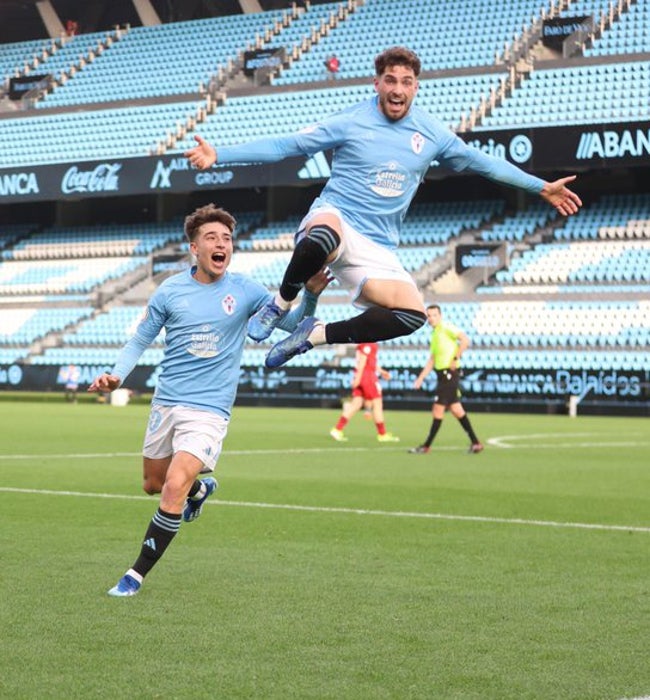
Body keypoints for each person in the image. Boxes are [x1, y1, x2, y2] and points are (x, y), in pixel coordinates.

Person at [185, 45, 582, 370]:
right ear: (377, 84)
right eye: (390, 80)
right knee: (320, 236)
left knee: (411, 315)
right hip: (337, 215)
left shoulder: (431, 133)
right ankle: (281, 303)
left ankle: (313, 334)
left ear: (416, 87)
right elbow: (286, 146)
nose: (398, 88)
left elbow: (483, 162)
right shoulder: (351, 121)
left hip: (378, 245)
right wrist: (219, 154)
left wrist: (540, 186)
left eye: (406, 82)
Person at [88, 204, 330, 597]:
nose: (222, 244)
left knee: (174, 486)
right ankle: (201, 491)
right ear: (194, 248)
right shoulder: (169, 290)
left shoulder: (247, 290)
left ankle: (135, 575)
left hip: (209, 410)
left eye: (227, 239)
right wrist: (118, 375)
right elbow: (139, 339)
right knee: (153, 484)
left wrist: (312, 296)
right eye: (212, 238)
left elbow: (296, 325)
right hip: (167, 402)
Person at [408, 304, 483, 455]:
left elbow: (465, 340)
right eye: (429, 316)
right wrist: (421, 378)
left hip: (449, 373)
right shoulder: (435, 334)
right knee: (456, 409)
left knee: (438, 409)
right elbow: (432, 359)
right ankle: (476, 443)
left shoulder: (446, 328)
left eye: (434, 315)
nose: (431, 318)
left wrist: (455, 358)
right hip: (441, 375)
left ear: (440, 316)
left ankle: (426, 446)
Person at [330, 342, 399, 443]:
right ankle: (382, 434)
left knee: (356, 404)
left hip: (363, 375)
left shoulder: (364, 343)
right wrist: (358, 379)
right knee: (377, 404)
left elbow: (369, 362)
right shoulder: (369, 343)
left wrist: (381, 371)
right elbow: (362, 361)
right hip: (368, 378)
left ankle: (337, 429)